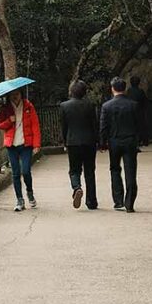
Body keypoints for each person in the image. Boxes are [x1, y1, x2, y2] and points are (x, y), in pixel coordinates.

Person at [0, 89, 41, 213]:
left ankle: (30, 192)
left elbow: (35, 125)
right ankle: (19, 200)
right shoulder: (5, 108)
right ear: (9, 96)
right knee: (15, 173)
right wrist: (9, 121)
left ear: (21, 94)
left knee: (26, 171)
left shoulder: (28, 106)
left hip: (26, 144)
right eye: (12, 95)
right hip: (12, 145)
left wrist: (37, 144)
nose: (15, 97)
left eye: (17, 94)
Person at [99, 77, 140, 212]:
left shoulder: (106, 106)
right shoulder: (133, 105)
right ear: (124, 88)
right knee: (130, 171)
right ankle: (130, 203)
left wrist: (102, 143)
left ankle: (118, 200)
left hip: (114, 141)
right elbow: (139, 124)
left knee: (115, 169)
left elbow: (103, 126)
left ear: (112, 89)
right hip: (130, 140)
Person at [60, 79, 99, 210]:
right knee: (90, 171)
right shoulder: (90, 105)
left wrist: (65, 142)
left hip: (72, 142)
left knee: (74, 170)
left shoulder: (64, 106)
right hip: (89, 142)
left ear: (71, 91)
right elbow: (95, 125)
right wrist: (98, 140)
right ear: (84, 92)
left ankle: (77, 187)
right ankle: (91, 201)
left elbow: (64, 127)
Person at [127, 73, 150, 146]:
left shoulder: (129, 91)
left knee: (132, 127)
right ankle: (142, 141)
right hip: (139, 111)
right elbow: (145, 101)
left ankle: (134, 142)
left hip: (130, 112)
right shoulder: (140, 91)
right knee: (141, 127)